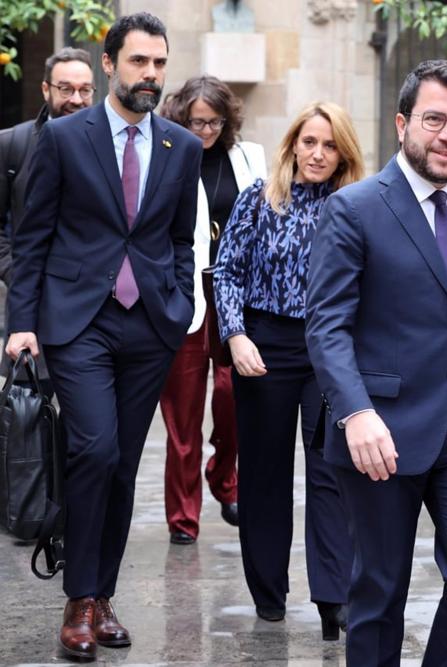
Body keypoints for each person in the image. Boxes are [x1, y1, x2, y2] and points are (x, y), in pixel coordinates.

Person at [305, 59, 447, 666]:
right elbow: (326, 325)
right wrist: (355, 413)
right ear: (403, 124)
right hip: (381, 430)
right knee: (378, 593)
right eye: (434, 120)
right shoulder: (354, 208)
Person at [5, 12, 201, 662]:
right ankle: (78, 599)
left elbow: (180, 238)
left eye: (159, 63)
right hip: (78, 321)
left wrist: (178, 304)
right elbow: (32, 235)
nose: (151, 74)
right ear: (110, 63)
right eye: (139, 61)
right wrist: (22, 323)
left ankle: (103, 596)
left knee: (121, 465)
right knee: (94, 449)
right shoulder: (65, 137)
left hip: (149, 324)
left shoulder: (181, 147)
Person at [213, 101, 362, 640]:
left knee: (331, 472)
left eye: (330, 145)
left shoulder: (356, 207)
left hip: (329, 348)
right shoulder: (258, 198)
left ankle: (334, 599)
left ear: (343, 154)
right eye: (309, 142)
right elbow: (227, 272)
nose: (318, 153)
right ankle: (268, 593)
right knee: (265, 473)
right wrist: (235, 334)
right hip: (265, 344)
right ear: (293, 145)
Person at [157, 75, 267, 545]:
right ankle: (183, 517)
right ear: (181, 119)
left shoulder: (250, 157)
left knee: (233, 399)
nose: (205, 131)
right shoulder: (167, 157)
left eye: (214, 122)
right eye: (197, 122)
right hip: (184, 299)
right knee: (182, 418)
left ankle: (224, 478)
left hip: (235, 298)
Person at [0, 47, 94, 391]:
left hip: (94, 312)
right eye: (65, 89)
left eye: (85, 90)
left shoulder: (113, 147)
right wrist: (18, 271)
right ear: (45, 89)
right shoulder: (12, 144)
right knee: (29, 416)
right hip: (33, 310)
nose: (76, 99)